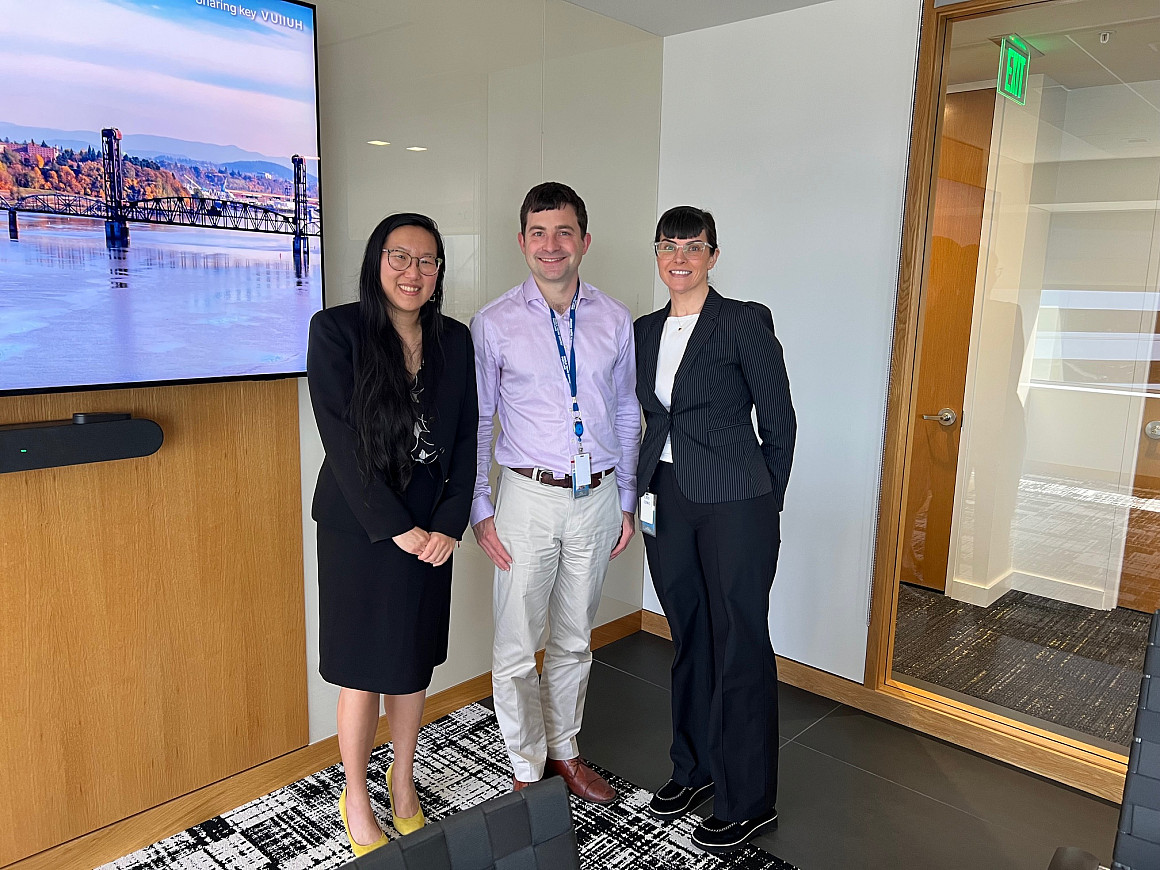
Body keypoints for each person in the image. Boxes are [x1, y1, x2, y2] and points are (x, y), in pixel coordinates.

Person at [307, 213, 478, 856]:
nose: (413, 272)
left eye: (427, 260)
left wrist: (448, 525)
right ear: (377, 261)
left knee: (411, 663)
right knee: (362, 668)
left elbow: (466, 438)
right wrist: (397, 528)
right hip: (364, 531)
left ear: (439, 272)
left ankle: (402, 784)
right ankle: (355, 794)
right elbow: (343, 446)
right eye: (399, 257)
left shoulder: (455, 341)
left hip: (433, 531)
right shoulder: (336, 331)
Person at [471, 182, 640, 803]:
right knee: (517, 645)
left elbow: (625, 410)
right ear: (522, 243)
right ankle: (524, 767)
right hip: (526, 500)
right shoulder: (492, 324)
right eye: (538, 234)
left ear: (584, 242)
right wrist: (480, 509)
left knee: (574, 638)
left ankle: (565, 752)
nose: (551, 245)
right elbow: (480, 423)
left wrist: (625, 499)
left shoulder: (615, 319)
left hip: (597, 499)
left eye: (564, 232)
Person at [634, 205, 795, 854]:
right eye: (669, 245)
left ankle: (748, 799)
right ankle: (694, 769)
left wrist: (764, 499)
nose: (680, 257)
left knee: (739, 644)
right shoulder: (644, 330)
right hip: (665, 498)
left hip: (735, 503)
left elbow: (779, 421)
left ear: (713, 256)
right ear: (657, 253)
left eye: (693, 247)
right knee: (689, 636)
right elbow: (647, 417)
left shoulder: (742, 321)